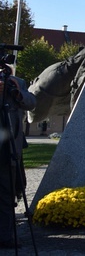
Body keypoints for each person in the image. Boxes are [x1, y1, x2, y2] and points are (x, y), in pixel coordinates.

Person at [0, 71, 35, 250]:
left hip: (8, 150)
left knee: (7, 195)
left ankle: (5, 236)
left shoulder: (16, 82)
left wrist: (17, 92)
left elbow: (31, 102)